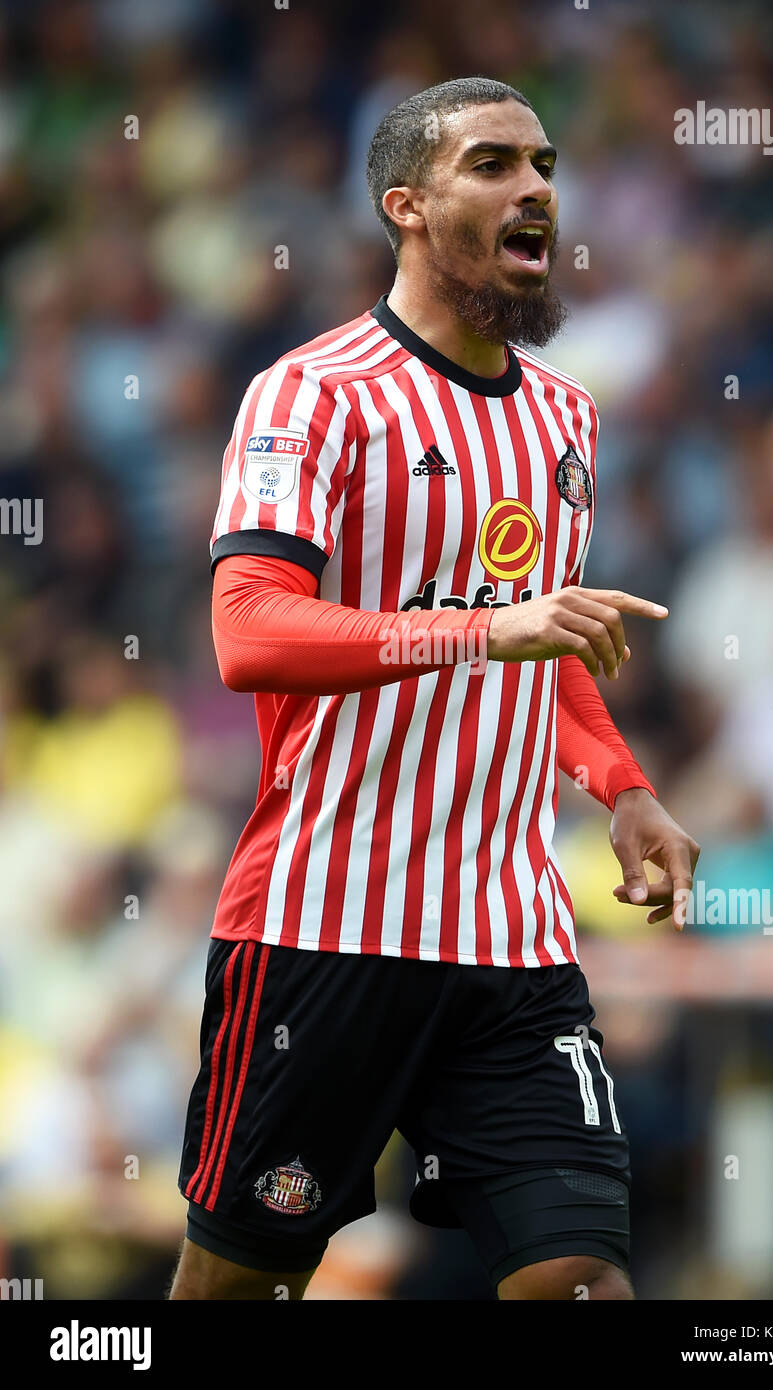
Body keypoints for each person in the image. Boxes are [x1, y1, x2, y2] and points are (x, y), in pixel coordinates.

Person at [170, 76, 699, 1302]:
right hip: (324, 925)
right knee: (238, 1283)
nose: (536, 190)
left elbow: (550, 651)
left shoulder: (565, 418)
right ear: (406, 206)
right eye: (493, 165)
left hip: (510, 941)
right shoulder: (311, 394)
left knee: (578, 1274)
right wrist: (477, 634)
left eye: (544, 163)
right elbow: (247, 631)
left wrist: (622, 786)